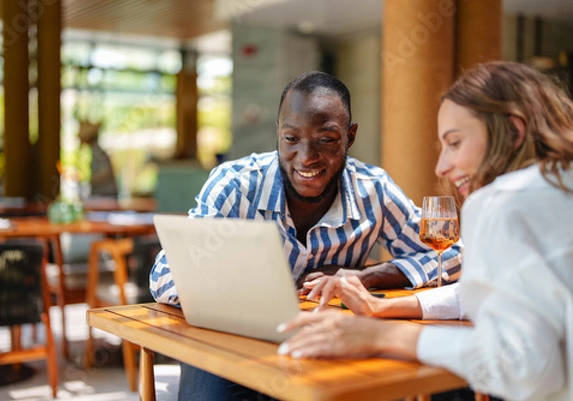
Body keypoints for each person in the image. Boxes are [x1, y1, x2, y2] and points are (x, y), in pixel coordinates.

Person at [149, 71, 462, 400]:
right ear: (278, 133)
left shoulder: (373, 189)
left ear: (350, 136)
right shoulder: (236, 185)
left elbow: (454, 255)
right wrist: (249, 290)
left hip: (326, 344)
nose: (306, 156)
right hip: (232, 341)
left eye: (326, 140)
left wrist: (366, 276)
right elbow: (164, 276)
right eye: (291, 139)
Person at [277, 61, 573, 401]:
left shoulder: (502, 203)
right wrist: (383, 309)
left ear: (514, 132)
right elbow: (500, 291)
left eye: (455, 143)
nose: (442, 166)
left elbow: (525, 368)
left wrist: (380, 337)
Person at [78, 120, 118, 198]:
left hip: (105, 195)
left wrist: (89, 181)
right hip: (103, 195)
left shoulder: (98, 151)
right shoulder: (94, 151)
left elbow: (105, 172)